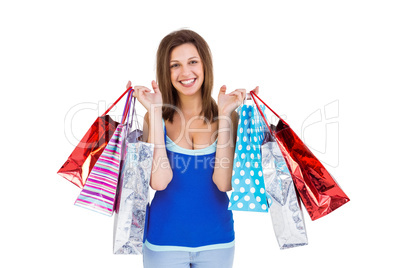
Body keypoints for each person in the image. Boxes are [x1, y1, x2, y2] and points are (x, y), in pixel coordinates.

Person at [128, 29, 259, 268]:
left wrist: (225, 115)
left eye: (192, 62)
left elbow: (224, 183)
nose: (185, 72)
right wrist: (156, 113)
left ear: (205, 65)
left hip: (217, 242)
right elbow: (158, 181)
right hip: (163, 241)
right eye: (175, 65)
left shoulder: (227, 117)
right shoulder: (154, 117)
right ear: (165, 72)